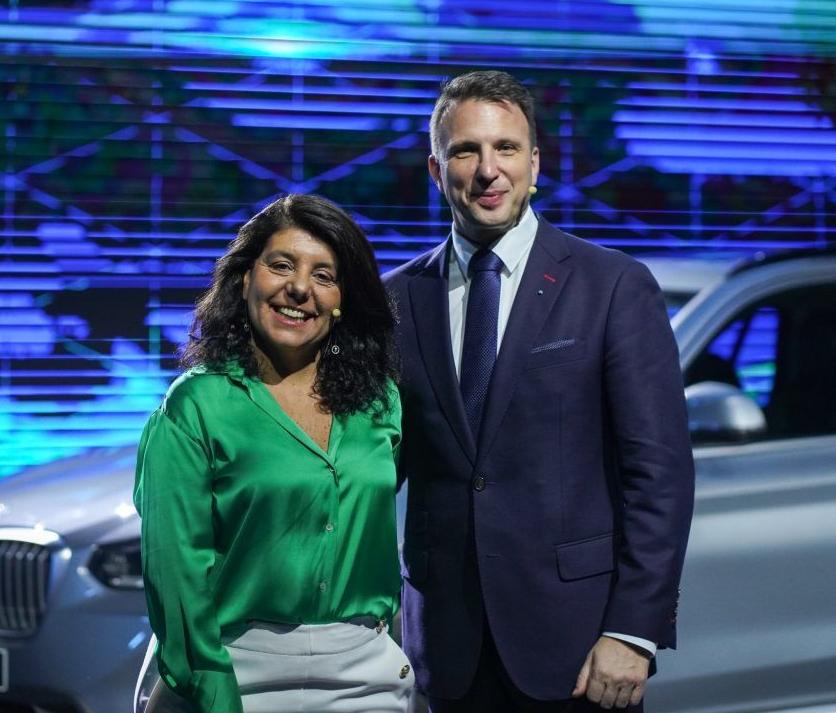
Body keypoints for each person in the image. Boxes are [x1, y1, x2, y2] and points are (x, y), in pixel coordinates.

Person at [384, 70, 695, 712]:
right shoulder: (394, 301)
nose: (487, 170)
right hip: (444, 652)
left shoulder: (613, 286)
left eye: (506, 148)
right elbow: (371, 468)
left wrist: (633, 631)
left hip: (581, 649)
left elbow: (658, 476)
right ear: (437, 171)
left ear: (535, 164)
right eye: (465, 151)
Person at [133, 193, 411, 713]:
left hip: (365, 676)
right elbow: (174, 570)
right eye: (281, 265)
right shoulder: (196, 404)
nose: (300, 287)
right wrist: (211, 689)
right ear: (245, 279)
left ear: (343, 300)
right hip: (233, 670)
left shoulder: (381, 402)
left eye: (324, 275)